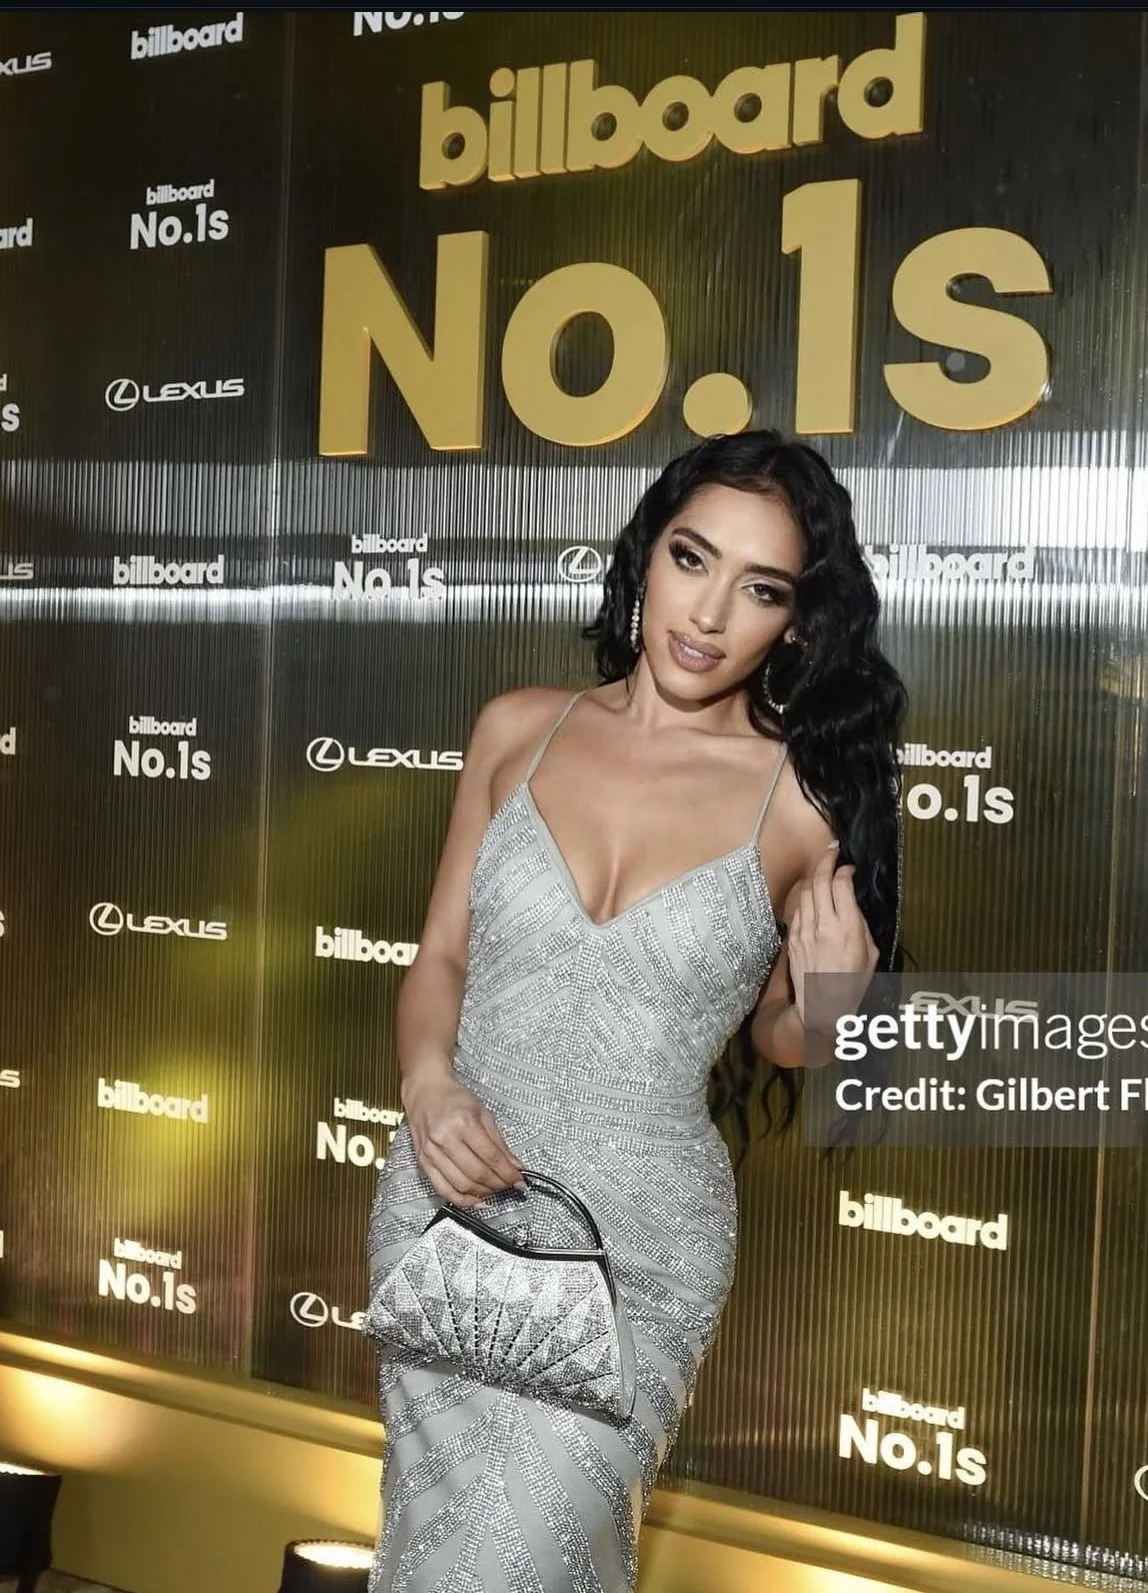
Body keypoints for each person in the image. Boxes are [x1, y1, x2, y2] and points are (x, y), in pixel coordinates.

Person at [365, 429, 907, 1592]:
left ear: (798, 621)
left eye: (757, 588)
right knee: (433, 1551)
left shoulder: (805, 800)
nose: (706, 613)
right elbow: (441, 955)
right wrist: (425, 1084)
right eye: (690, 558)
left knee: (527, 1561)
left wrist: (834, 1005)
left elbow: (782, 1040)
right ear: (643, 555)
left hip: (636, 1248)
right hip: (450, 1199)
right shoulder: (519, 728)